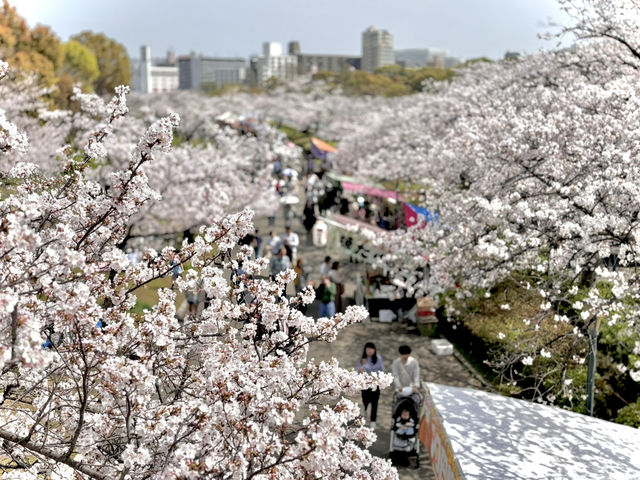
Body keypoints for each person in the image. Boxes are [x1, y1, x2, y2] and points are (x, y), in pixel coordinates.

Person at [357, 342, 384, 429]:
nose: (369, 351)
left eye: (371, 349)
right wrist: (360, 370)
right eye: (367, 349)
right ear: (365, 350)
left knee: (374, 403)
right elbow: (357, 369)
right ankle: (364, 414)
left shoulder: (378, 358)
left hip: (375, 385)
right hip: (365, 385)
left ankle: (373, 421)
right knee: (365, 401)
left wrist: (377, 377)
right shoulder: (363, 359)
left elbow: (382, 370)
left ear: (374, 350)